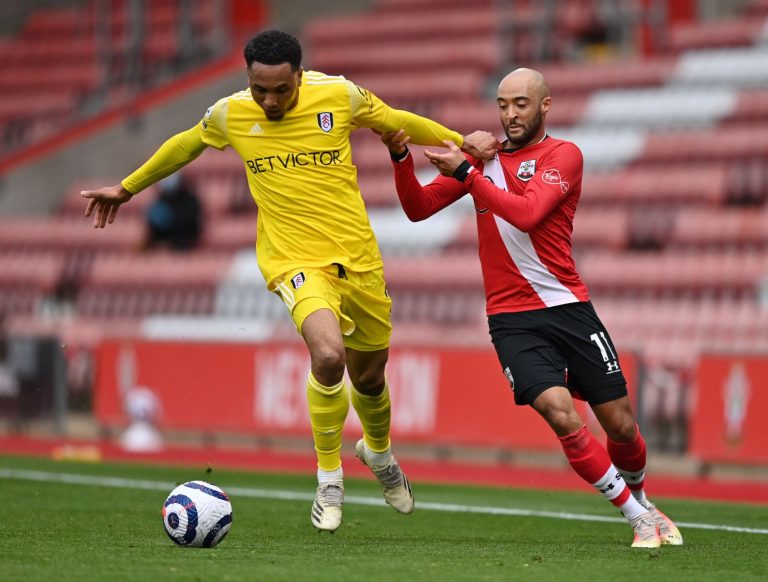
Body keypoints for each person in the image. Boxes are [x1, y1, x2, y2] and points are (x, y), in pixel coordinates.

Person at [80, 29, 498, 533]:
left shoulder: (339, 96)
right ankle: (329, 478)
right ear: (249, 80)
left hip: (359, 261)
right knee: (327, 356)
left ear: (300, 76)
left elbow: (397, 120)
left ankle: (380, 455)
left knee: (370, 377)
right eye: (261, 90)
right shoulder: (230, 113)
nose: (270, 101)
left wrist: (457, 139)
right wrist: (127, 188)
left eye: (282, 89)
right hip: (293, 262)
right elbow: (184, 146)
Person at [379, 68, 683, 549]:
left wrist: (466, 171)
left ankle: (644, 499)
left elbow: (526, 213)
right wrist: (400, 156)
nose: (509, 114)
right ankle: (637, 517)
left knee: (621, 424)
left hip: (569, 307)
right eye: (502, 105)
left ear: (545, 106)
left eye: (521, 103)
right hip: (511, 320)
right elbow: (416, 208)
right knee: (561, 414)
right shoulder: (482, 163)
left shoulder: (563, 155)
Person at [144, 172, 203, 251]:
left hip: (184, 245)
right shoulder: (160, 200)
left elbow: (191, 226)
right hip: (162, 245)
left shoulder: (190, 200)